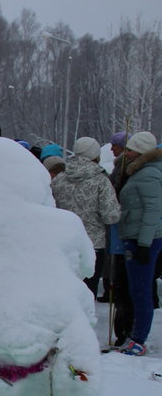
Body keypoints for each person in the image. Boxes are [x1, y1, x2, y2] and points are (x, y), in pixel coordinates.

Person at [50, 137, 120, 297]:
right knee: (87, 294)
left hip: (64, 243)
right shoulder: (101, 180)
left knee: (65, 293)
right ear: (95, 154)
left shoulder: (59, 179)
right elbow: (111, 216)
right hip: (92, 245)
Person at [115, 131, 162, 356]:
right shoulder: (140, 171)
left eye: (130, 149)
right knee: (136, 290)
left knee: (140, 291)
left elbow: (153, 210)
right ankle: (135, 337)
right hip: (135, 236)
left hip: (142, 239)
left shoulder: (149, 173)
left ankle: (138, 340)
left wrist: (144, 243)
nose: (126, 152)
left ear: (141, 151)